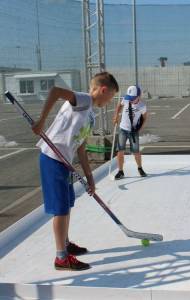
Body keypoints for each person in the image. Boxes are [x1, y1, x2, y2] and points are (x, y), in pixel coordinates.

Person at [33, 72, 119, 271]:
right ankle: (61, 258)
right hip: (52, 159)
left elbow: (80, 145)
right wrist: (41, 122)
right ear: (103, 90)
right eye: (111, 97)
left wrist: (90, 177)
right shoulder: (84, 100)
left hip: (65, 162)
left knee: (67, 204)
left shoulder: (89, 112)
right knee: (61, 208)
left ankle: (65, 243)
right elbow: (55, 92)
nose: (109, 101)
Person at [113, 85, 148, 180]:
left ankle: (140, 168)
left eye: (132, 98)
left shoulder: (142, 106)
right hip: (123, 129)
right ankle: (120, 171)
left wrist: (140, 128)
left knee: (136, 151)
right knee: (120, 151)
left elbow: (144, 118)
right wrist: (116, 116)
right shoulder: (126, 99)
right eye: (130, 98)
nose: (130, 100)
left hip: (133, 131)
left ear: (139, 97)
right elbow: (119, 106)